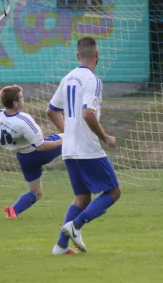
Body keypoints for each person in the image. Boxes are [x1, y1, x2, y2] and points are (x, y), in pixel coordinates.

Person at [0, 86, 68, 241]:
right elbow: (42, 145)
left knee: (36, 192)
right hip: (38, 153)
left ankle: (13, 211)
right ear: (16, 103)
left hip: (24, 158)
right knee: (72, 136)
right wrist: (64, 140)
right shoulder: (24, 120)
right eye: (22, 97)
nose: (23, 100)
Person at [46, 37, 121, 254]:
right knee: (114, 192)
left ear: (78, 55)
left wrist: (69, 131)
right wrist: (105, 137)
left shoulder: (68, 78)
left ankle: (60, 246)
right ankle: (76, 225)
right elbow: (88, 113)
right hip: (87, 148)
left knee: (82, 197)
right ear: (97, 56)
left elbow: (51, 110)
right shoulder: (93, 80)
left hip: (69, 149)